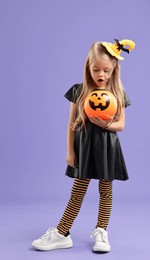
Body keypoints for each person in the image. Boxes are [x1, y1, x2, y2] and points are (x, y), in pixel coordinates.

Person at [32, 38, 135, 253]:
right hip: (85, 147)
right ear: (88, 67)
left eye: (106, 70)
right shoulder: (79, 91)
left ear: (114, 68)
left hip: (107, 147)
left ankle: (101, 232)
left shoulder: (117, 93)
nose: (101, 75)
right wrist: (70, 150)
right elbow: (71, 124)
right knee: (78, 191)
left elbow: (122, 125)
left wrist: (106, 124)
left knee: (106, 190)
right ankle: (62, 233)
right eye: (96, 69)